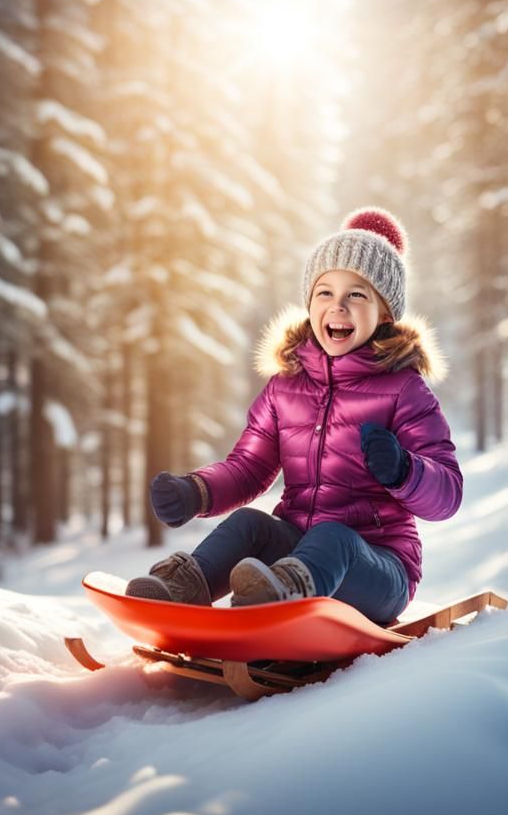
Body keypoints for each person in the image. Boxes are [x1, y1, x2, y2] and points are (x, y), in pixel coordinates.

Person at [126, 207, 462, 625]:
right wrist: (197, 491)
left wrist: (404, 470)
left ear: (385, 313)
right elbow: (248, 468)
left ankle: (279, 597)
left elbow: (448, 494)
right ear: (309, 304)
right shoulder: (286, 387)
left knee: (334, 537)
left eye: (357, 294)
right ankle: (182, 591)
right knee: (249, 523)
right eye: (325, 292)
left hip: (379, 568)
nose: (337, 307)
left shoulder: (405, 390)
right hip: (295, 554)